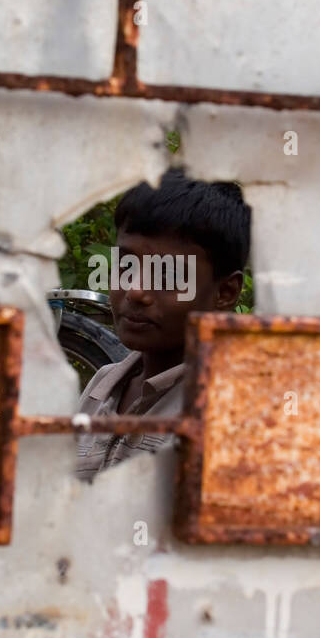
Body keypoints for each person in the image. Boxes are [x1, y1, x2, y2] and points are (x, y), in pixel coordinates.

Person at [74, 169, 250, 481]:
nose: (136, 291)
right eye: (127, 265)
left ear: (225, 292)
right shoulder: (103, 387)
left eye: (168, 275)